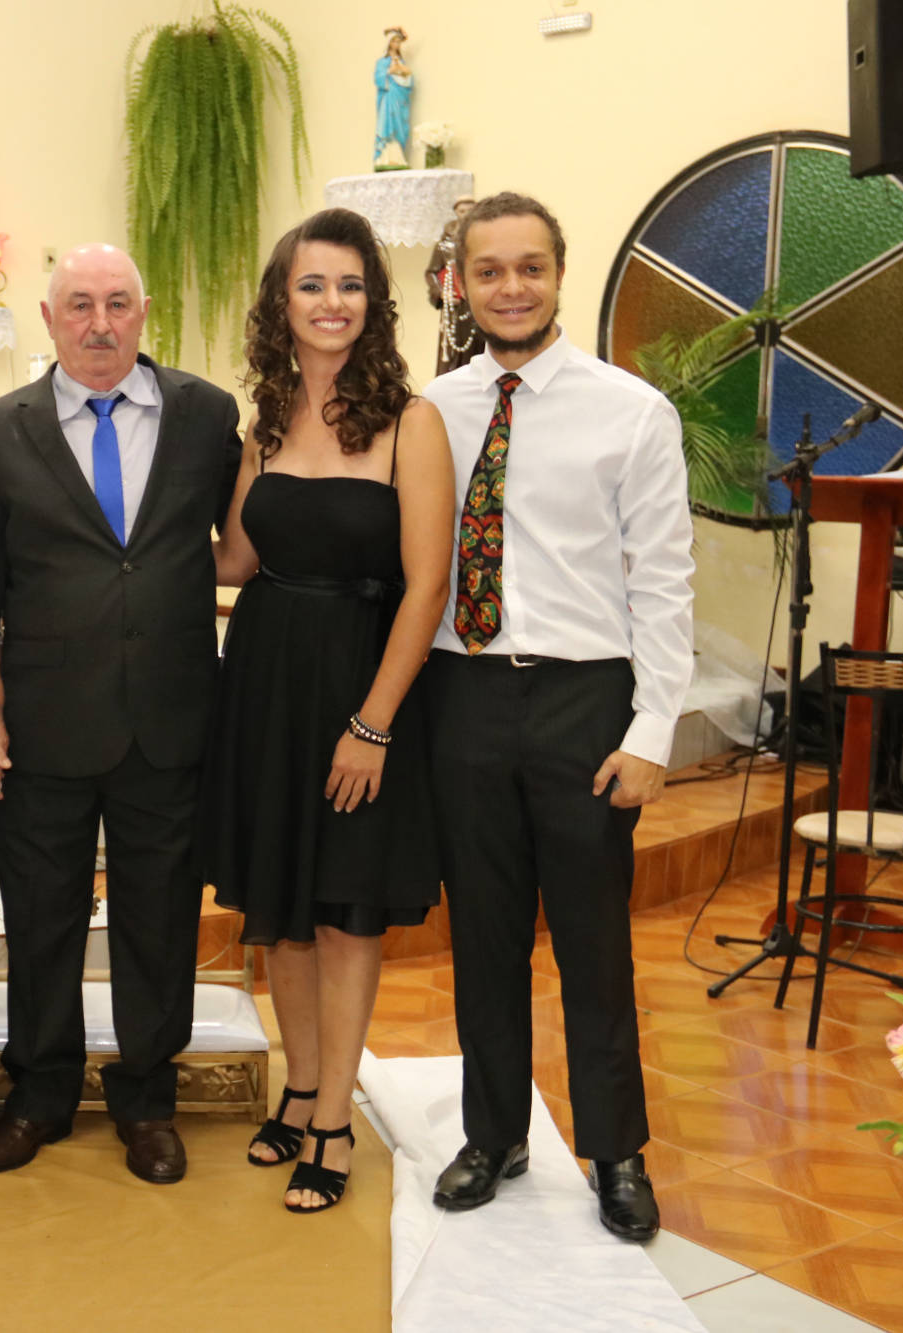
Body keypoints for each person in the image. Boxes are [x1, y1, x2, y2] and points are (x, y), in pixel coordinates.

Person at [0, 244, 240, 1186]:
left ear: (144, 312)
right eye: (78, 305)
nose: (99, 323)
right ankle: (39, 1095)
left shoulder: (206, 415)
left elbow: (238, 545)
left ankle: (147, 1100)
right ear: (48, 316)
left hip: (169, 718)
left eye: (116, 303)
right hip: (45, 721)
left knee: (159, 920)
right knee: (41, 919)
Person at [422, 193, 694, 1242]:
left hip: (585, 700)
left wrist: (651, 731)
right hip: (465, 694)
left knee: (592, 942)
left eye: (528, 267)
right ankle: (493, 1133)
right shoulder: (430, 411)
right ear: (461, 284)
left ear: (558, 274)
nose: (510, 288)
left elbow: (663, 579)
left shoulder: (631, 412)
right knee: (482, 935)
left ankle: (616, 1149)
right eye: (488, 270)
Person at [204, 208, 453, 1213]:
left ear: (372, 303)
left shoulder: (411, 422)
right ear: (282, 301)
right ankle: (299, 1087)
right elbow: (233, 559)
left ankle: (337, 1119)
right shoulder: (263, 421)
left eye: (349, 285)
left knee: (346, 913)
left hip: (361, 683)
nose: (331, 302)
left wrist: (373, 723)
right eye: (311, 284)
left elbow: (427, 587)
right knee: (286, 912)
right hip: (266, 680)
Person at [424, 195, 483, 376]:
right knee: (451, 356)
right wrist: (441, 293)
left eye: (470, 210)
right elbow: (431, 272)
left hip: (476, 306)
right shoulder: (444, 246)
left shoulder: (483, 242)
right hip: (453, 309)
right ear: (456, 212)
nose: (466, 215)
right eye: (462, 211)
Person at [373, 28, 413, 171]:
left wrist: (402, 71)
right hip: (388, 97)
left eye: (399, 42)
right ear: (389, 43)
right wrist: (391, 71)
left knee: (399, 125)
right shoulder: (382, 62)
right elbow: (378, 78)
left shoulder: (401, 61)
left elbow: (408, 79)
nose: (397, 44)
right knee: (387, 123)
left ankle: (398, 157)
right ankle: (385, 156)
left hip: (399, 97)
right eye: (394, 41)